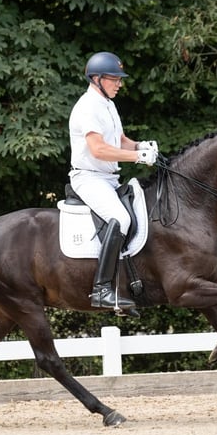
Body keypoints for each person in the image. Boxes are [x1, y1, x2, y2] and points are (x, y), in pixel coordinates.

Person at [68, 51, 158, 311]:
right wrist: (138, 157)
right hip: (88, 178)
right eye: (114, 79)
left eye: (120, 79)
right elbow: (98, 149)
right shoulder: (87, 107)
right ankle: (101, 290)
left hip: (108, 178)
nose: (119, 84)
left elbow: (118, 140)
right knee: (122, 218)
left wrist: (141, 144)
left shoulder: (107, 104)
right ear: (96, 79)